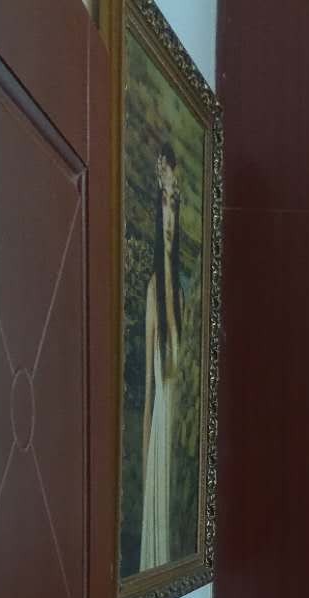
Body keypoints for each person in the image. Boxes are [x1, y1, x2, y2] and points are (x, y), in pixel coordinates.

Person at [140, 143, 183, 570]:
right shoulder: (154, 289)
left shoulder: (181, 297)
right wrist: (145, 451)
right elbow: (151, 388)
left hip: (177, 436)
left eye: (174, 205)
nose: (168, 218)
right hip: (160, 437)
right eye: (164, 205)